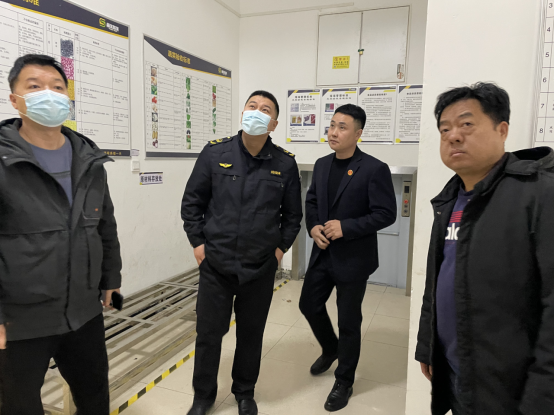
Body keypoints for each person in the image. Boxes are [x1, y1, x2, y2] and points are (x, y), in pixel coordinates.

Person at [416, 82, 554, 415]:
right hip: (459, 373)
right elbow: (438, 280)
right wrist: (427, 345)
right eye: (444, 129)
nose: (453, 136)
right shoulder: (449, 199)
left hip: (511, 387)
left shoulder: (538, 194)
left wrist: (542, 398)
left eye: (466, 124)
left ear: (502, 130)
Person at [0, 54, 122, 415]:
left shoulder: (88, 159)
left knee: (94, 397)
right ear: (15, 100)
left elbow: (105, 226)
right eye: (35, 86)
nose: (48, 94)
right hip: (20, 319)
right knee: (18, 406)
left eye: (57, 87)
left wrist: (110, 280)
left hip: (84, 312)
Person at [181, 90, 303, 416]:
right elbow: (192, 203)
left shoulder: (285, 164)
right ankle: (203, 397)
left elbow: (293, 217)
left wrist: (279, 251)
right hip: (216, 265)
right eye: (252, 106)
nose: (257, 112)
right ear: (242, 114)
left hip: (259, 267)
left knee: (251, 334)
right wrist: (198, 243)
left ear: (273, 123)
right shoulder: (214, 153)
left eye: (266, 110)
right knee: (209, 334)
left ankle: (244, 392)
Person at [300, 104, 397, 412]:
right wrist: (313, 226)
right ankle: (331, 349)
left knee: (349, 321)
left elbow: (386, 214)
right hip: (323, 253)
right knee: (308, 304)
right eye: (331, 125)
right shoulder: (322, 164)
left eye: (342, 127)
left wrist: (347, 227)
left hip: (354, 258)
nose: (333, 132)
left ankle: (344, 381)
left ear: (358, 134)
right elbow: (312, 201)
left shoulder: (374, 168)